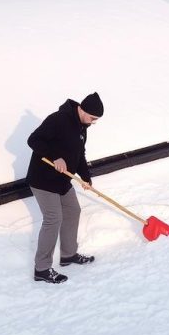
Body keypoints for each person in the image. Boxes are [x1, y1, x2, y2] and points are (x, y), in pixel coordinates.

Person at [26, 93, 104, 284]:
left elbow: (79, 154)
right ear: (83, 110)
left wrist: (86, 178)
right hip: (43, 180)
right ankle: (42, 269)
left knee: (73, 210)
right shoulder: (58, 119)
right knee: (53, 218)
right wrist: (55, 156)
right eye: (93, 118)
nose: (94, 123)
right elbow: (33, 140)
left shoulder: (82, 126)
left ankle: (68, 255)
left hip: (62, 180)